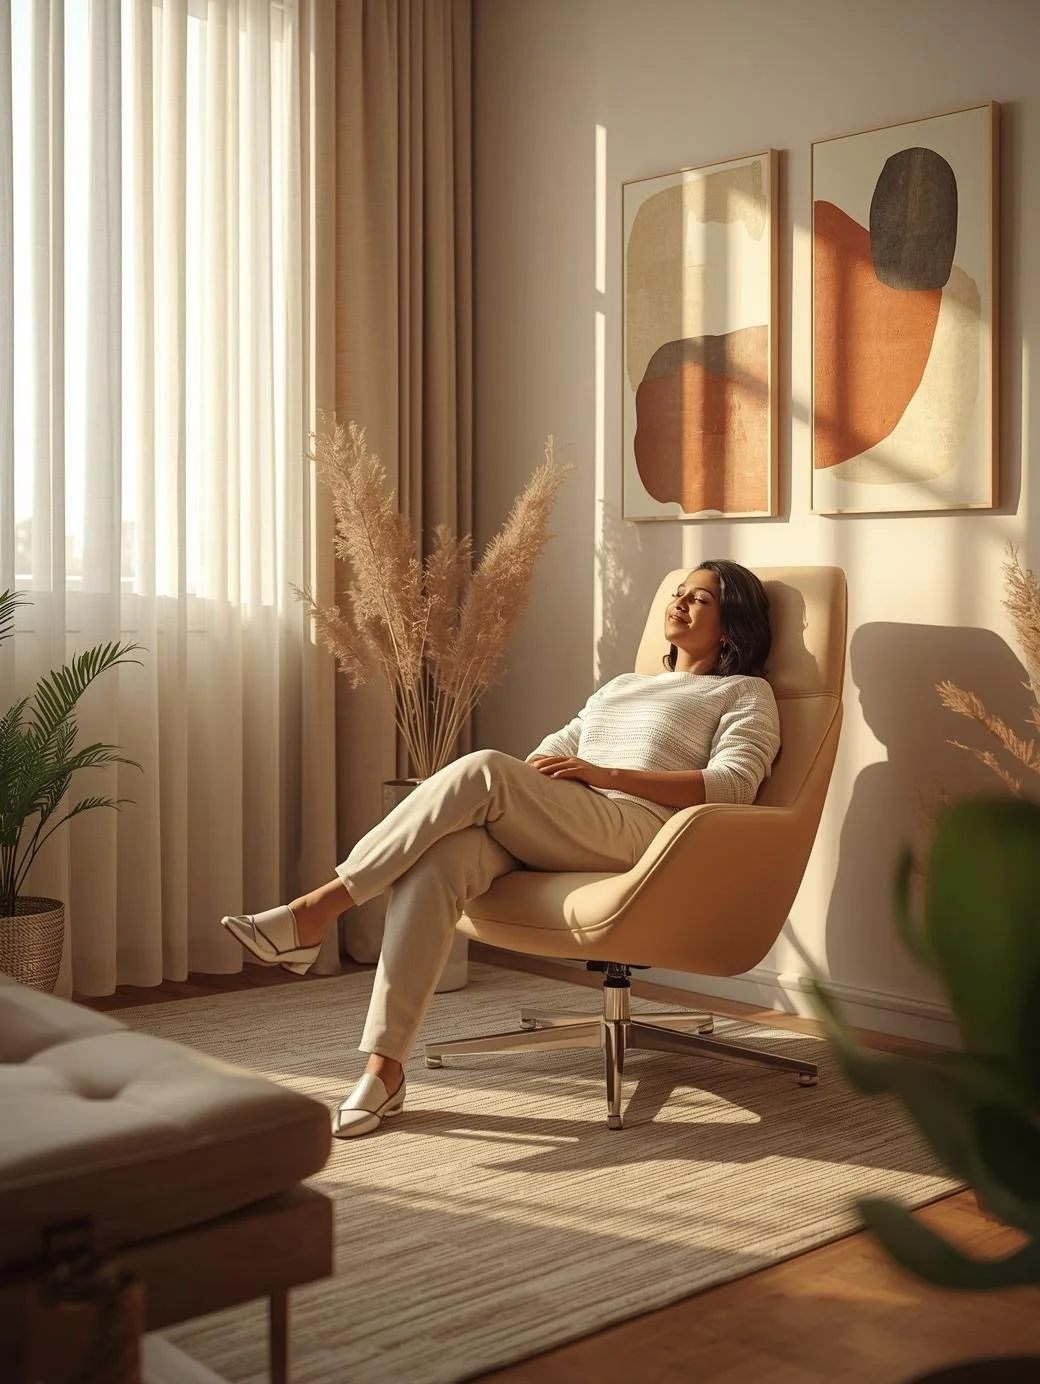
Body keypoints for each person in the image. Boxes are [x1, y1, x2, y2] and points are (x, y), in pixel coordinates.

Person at [221, 560, 781, 1139]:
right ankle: (383, 1071)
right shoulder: (621, 687)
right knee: (440, 861)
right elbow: (546, 756)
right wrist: (558, 781)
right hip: (574, 820)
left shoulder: (743, 692)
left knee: (485, 769)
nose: (681, 602)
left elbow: (735, 784)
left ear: (732, 627)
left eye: (701, 600)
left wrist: (601, 771)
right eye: (679, 592)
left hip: (645, 833)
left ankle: (316, 910)